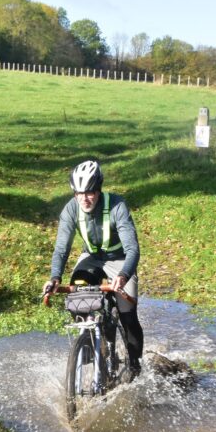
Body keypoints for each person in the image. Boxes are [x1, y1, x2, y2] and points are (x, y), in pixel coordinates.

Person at [43, 159, 144, 376]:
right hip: (92, 258)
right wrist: (54, 277)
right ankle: (91, 344)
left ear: (99, 190)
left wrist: (124, 275)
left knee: (128, 315)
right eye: (79, 193)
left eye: (89, 192)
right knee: (78, 291)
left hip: (120, 260)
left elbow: (133, 249)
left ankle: (135, 367)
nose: (84, 198)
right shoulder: (71, 210)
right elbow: (61, 248)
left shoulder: (117, 205)